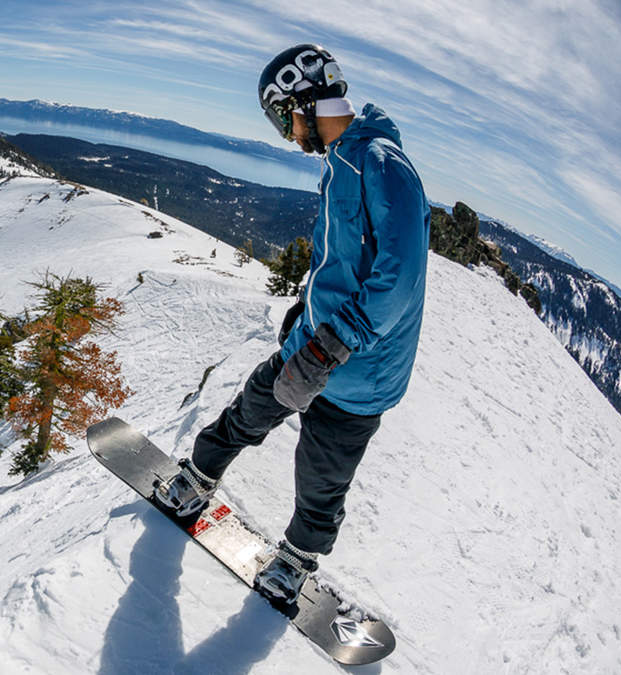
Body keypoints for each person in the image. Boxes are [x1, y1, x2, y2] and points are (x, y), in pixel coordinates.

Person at [155, 44, 430, 604]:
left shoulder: (382, 164)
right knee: (250, 407)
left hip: (357, 372)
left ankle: (297, 561)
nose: (286, 133)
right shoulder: (345, 162)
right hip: (316, 346)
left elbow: (397, 279)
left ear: (305, 99)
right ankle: (198, 478)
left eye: (283, 117)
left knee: (323, 474)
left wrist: (330, 348)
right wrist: (308, 311)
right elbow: (344, 258)